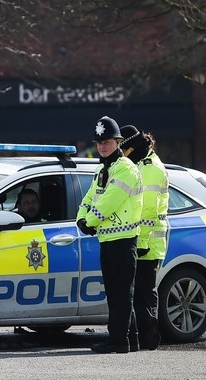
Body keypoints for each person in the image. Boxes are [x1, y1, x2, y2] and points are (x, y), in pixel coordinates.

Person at [76, 116, 143, 354]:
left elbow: (109, 201)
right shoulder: (103, 169)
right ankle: (131, 339)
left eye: (107, 141)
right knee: (118, 292)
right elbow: (89, 197)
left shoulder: (125, 169)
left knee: (120, 294)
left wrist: (90, 220)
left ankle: (117, 340)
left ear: (118, 142)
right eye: (99, 142)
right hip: (108, 240)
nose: (102, 146)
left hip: (123, 241)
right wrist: (80, 219)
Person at [120, 125, 170, 351]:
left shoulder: (150, 169)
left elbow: (148, 212)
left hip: (147, 243)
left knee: (144, 295)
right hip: (142, 240)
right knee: (139, 293)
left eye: (126, 150)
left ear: (135, 147)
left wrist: (140, 244)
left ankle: (149, 340)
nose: (124, 155)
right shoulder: (141, 163)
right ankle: (140, 338)